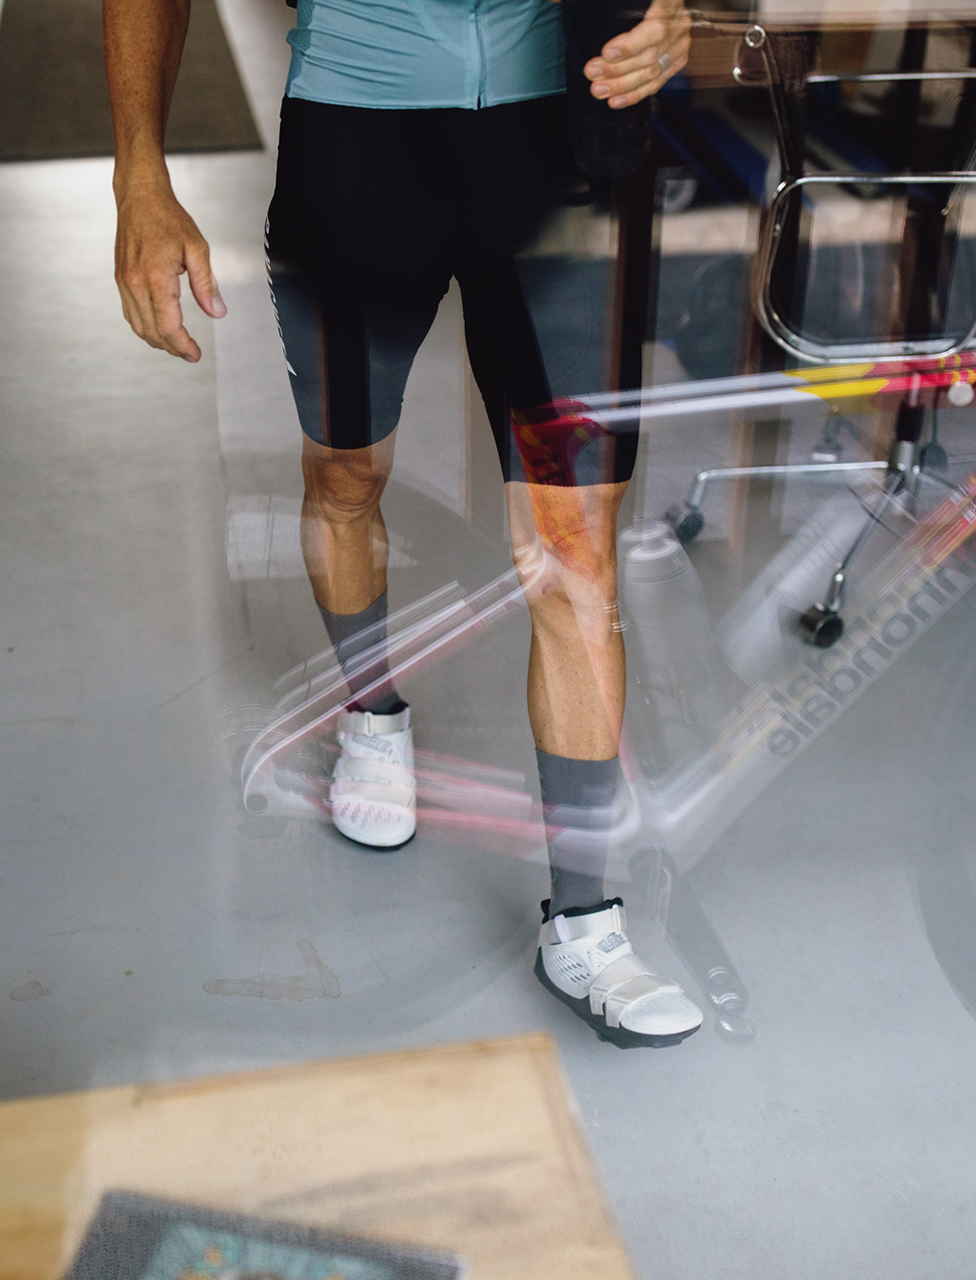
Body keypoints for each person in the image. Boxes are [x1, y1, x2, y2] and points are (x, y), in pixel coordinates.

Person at [106, 0, 702, 1047]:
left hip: (560, 145)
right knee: (347, 476)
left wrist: (672, 18)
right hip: (358, 140)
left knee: (574, 548)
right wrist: (140, 179)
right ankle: (371, 714)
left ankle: (584, 922)